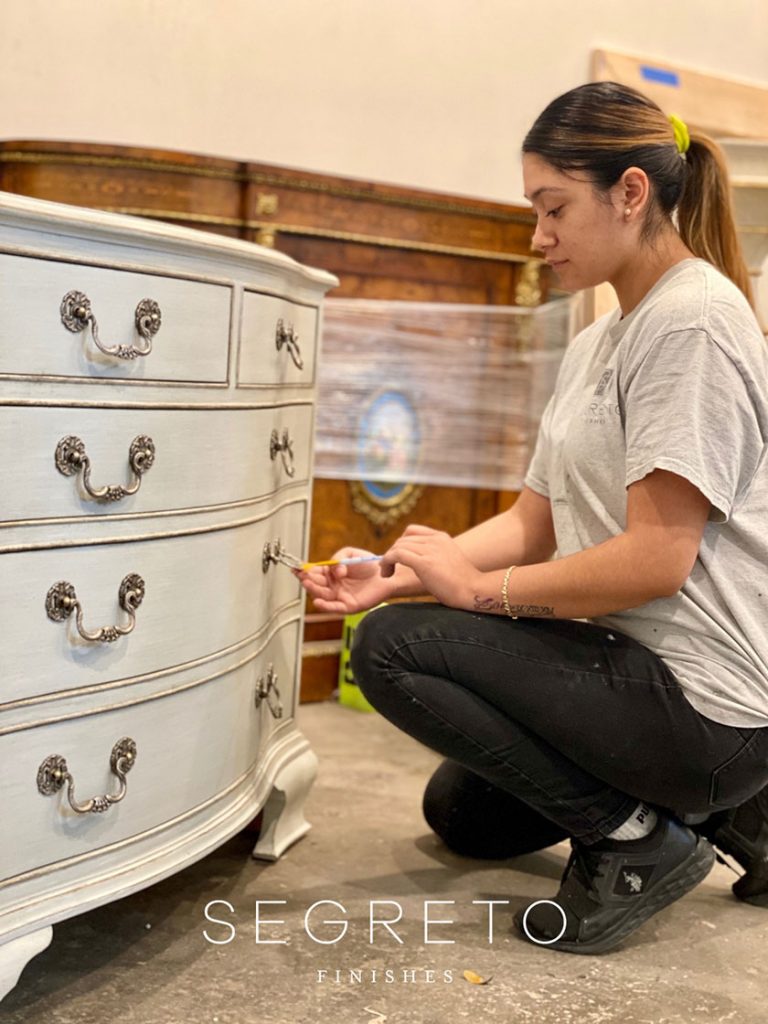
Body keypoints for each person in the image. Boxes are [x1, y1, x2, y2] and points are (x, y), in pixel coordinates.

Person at [298, 81, 768, 954]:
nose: (538, 236)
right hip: (633, 664)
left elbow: (656, 561)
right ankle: (740, 816)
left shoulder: (694, 323)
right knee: (462, 814)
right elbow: (532, 523)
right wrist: (391, 577)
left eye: (554, 209)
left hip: (703, 700)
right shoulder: (601, 338)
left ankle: (643, 840)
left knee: (394, 650)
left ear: (631, 193)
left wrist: (474, 594)